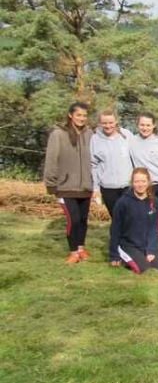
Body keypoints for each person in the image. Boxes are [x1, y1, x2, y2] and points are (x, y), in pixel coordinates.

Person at [44, 102, 94, 264]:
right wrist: (51, 183)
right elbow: (51, 159)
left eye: (84, 115)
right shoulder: (58, 134)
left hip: (86, 186)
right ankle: (73, 252)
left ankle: (80, 248)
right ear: (70, 115)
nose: (82, 118)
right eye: (78, 115)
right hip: (65, 187)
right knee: (74, 219)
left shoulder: (90, 134)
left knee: (83, 219)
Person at [110, 168, 158, 273]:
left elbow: (154, 228)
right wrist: (114, 255)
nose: (140, 185)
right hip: (129, 245)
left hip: (146, 245)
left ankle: (143, 256)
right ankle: (124, 257)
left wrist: (151, 249)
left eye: (143, 181)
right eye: (137, 181)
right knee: (143, 268)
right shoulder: (123, 202)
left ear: (148, 182)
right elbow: (115, 229)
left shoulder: (154, 201)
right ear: (132, 183)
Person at [90, 109, 133, 216]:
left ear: (116, 121)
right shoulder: (95, 139)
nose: (108, 126)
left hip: (128, 186)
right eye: (104, 123)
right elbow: (93, 165)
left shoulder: (126, 135)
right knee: (116, 219)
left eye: (110, 122)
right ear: (100, 123)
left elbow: (137, 157)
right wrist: (96, 188)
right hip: (108, 188)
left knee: (130, 218)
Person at [129, 112, 158, 205]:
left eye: (148, 125)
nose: (145, 128)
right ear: (137, 125)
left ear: (154, 125)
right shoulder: (131, 141)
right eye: (142, 125)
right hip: (144, 186)